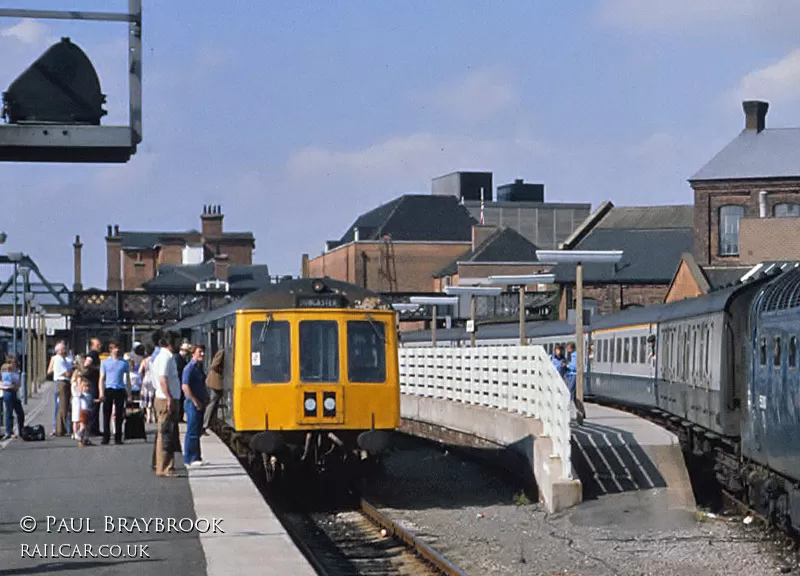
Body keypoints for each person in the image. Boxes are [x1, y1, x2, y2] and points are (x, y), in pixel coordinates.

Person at [151, 332, 182, 477]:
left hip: (163, 398)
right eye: (177, 341)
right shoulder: (165, 358)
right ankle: (165, 467)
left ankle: (161, 465)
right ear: (171, 342)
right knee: (166, 433)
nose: (179, 344)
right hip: (165, 399)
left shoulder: (161, 357)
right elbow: (163, 379)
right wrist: (169, 398)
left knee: (164, 433)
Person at [98, 341, 131, 445]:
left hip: (120, 389)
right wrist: (101, 393)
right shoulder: (105, 362)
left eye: (118, 348)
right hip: (109, 388)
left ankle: (118, 437)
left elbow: (128, 379)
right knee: (106, 414)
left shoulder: (124, 363)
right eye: (114, 348)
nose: (117, 350)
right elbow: (101, 378)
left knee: (119, 414)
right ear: (111, 349)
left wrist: (129, 393)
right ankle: (106, 437)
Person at [182, 344, 208, 466]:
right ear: (193, 354)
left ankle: (196, 457)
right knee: (192, 431)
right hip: (193, 403)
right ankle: (189, 458)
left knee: (197, 431)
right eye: (200, 352)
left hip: (199, 402)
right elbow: (185, 386)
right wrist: (194, 400)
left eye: (203, 352)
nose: (202, 354)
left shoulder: (198, 368)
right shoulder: (189, 368)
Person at [49, 342, 72, 436]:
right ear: (58, 350)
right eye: (63, 349)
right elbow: (65, 373)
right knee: (62, 407)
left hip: (64, 382)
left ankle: (62, 428)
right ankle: (60, 429)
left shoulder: (63, 359)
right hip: (62, 382)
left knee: (64, 407)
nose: (65, 350)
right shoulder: (58, 359)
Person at [1, 357, 24, 440]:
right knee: (9, 413)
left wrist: (15, 385)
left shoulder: (16, 372)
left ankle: (21, 430)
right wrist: (7, 387)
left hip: (15, 393)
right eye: (13, 362)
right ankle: (9, 432)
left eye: (16, 362)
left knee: (20, 413)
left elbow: (18, 384)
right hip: (8, 393)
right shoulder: (5, 372)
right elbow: (1, 383)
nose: (15, 364)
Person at [83, 338, 102, 436]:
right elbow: (86, 364)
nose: (100, 346)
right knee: (94, 405)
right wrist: (96, 368)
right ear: (92, 346)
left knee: (95, 405)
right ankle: (92, 429)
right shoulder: (93, 354)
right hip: (93, 383)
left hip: (93, 382)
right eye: (97, 344)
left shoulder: (94, 354)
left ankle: (94, 428)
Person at [203, 349, 224, 435]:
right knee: (212, 404)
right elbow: (214, 365)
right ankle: (204, 425)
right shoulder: (222, 352)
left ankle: (210, 423)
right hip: (215, 382)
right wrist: (223, 372)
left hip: (217, 383)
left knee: (214, 404)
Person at [565, 342, 586, 425]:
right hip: (573, 375)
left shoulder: (575, 355)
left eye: (568, 348)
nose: (567, 349)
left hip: (574, 375)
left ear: (571, 348)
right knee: (574, 396)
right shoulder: (574, 354)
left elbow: (574, 366)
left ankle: (566, 409)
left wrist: (567, 365)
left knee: (570, 393)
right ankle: (581, 412)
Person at [76, 376, 97, 447]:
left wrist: (98, 400)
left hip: (89, 411)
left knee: (88, 427)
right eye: (85, 387)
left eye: (88, 387)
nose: (87, 388)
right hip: (83, 411)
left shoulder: (90, 395)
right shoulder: (82, 395)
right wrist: (79, 384)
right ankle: (78, 434)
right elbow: (78, 393)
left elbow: (91, 401)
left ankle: (86, 439)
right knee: (83, 426)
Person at [175, 342, 191, 423]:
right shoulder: (178, 359)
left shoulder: (179, 358)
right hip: (179, 383)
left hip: (180, 383)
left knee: (181, 400)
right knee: (180, 400)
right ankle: (179, 417)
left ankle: (180, 417)